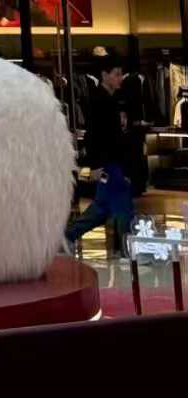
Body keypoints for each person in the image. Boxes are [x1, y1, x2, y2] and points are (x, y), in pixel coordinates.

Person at [65, 52, 133, 250]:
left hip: (112, 163)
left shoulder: (110, 99)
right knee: (123, 206)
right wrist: (95, 165)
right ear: (104, 75)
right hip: (108, 164)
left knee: (102, 208)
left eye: (121, 74)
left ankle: (67, 236)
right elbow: (94, 136)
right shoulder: (99, 101)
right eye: (116, 74)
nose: (120, 79)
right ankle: (128, 249)